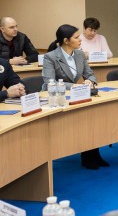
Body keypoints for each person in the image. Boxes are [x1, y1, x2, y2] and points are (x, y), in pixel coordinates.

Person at [42, 24, 107, 170]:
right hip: (56, 99)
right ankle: (86, 156)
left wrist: (90, 81)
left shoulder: (79, 54)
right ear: (66, 40)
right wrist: (74, 86)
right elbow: (49, 83)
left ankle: (93, 153)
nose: (80, 40)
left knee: (92, 118)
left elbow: (90, 74)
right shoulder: (50, 57)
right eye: (77, 37)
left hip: (77, 96)